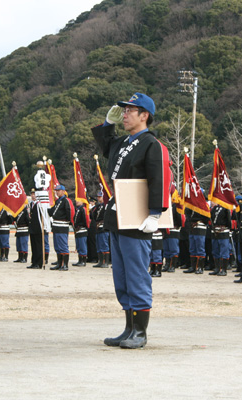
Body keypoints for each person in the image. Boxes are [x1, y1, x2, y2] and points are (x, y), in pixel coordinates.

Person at [92, 92, 170, 349]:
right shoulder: (125, 143)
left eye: (129, 111)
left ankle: (141, 332)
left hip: (138, 217)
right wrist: (107, 124)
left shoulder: (152, 144)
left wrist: (155, 213)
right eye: (123, 110)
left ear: (144, 115)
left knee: (136, 274)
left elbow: (159, 179)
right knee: (122, 275)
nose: (124, 114)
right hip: (119, 214)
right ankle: (128, 328)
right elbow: (107, 148)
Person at [49, 184, 73, 271]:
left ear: (63, 191)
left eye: (58, 191)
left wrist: (67, 221)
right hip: (56, 226)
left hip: (62, 225)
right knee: (57, 246)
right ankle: (59, 263)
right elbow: (52, 212)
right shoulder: (58, 201)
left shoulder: (65, 201)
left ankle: (65, 265)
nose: (57, 192)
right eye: (56, 191)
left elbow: (68, 213)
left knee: (63, 246)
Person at [209, 201, 232, 276]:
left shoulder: (225, 208)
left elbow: (228, 220)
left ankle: (224, 269)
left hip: (223, 231)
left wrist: (228, 228)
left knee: (224, 250)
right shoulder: (214, 208)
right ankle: (217, 268)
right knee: (215, 250)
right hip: (215, 231)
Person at [92, 192, 110, 268]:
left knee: (104, 244)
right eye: (98, 197)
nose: (98, 198)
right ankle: (100, 261)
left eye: (100, 197)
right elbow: (94, 215)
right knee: (99, 245)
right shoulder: (98, 206)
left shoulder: (106, 206)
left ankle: (105, 262)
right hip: (98, 227)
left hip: (103, 227)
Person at [28, 190, 45, 269]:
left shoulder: (40, 204)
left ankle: (39, 263)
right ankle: (34, 262)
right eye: (32, 194)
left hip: (38, 228)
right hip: (32, 228)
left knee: (38, 246)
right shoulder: (31, 204)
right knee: (33, 246)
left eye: (34, 194)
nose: (33, 196)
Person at [73, 200, 89, 266]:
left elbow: (85, 220)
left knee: (82, 246)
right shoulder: (77, 210)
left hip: (82, 229)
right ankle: (80, 260)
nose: (77, 202)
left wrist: (81, 225)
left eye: (78, 200)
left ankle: (83, 261)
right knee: (79, 246)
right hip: (78, 230)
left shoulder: (83, 209)